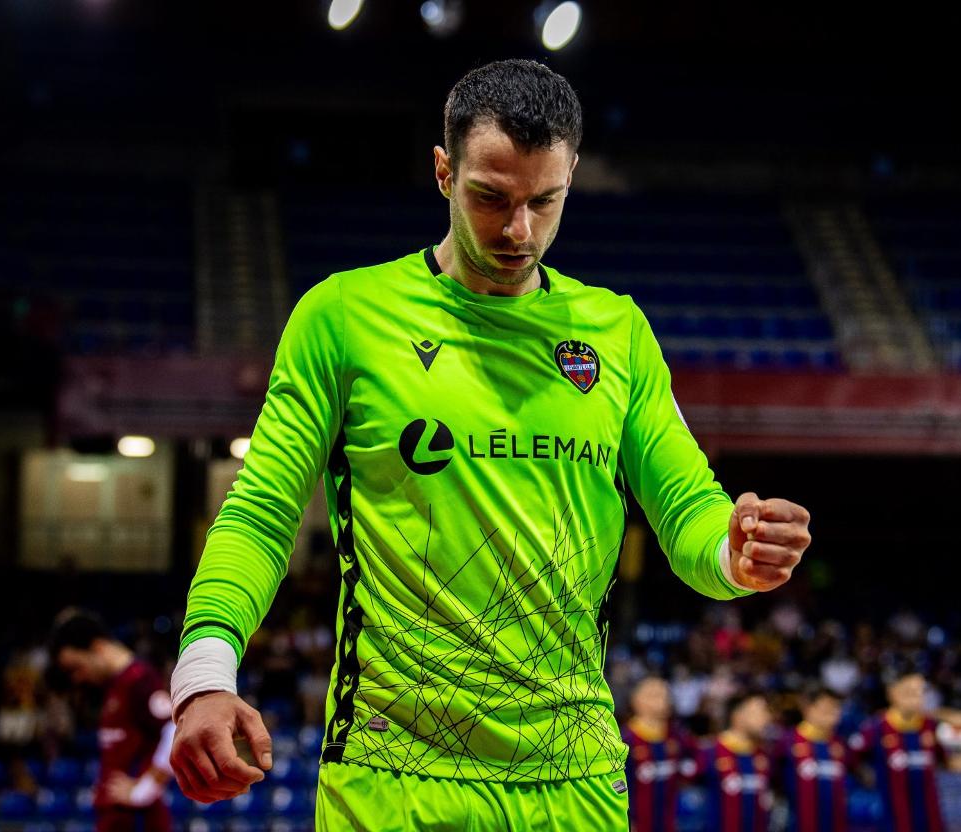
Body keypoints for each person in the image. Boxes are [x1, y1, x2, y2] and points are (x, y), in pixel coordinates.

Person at [168, 58, 813, 830]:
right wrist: (205, 674)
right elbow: (260, 513)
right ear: (444, 171)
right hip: (394, 769)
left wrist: (734, 556)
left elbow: (689, 513)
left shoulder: (618, 332)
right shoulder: (343, 317)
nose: (519, 230)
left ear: (571, 175)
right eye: (491, 198)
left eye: (546, 201)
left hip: (574, 773)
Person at [50, 608, 175, 832]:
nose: (78, 677)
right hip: (117, 818)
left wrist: (144, 789)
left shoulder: (139, 680)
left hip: (138, 819)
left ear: (97, 648)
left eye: (76, 667)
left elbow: (174, 730)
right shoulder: (115, 685)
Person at [848, 666, 948, 832]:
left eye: (920, 692)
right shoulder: (876, 727)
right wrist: (866, 774)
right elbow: (850, 758)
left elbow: (944, 760)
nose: (917, 698)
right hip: (893, 818)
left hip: (929, 816)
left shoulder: (929, 726)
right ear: (892, 693)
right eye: (909, 692)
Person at [621, 676, 700, 832]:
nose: (662, 699)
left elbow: (694, 765)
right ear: (636, 700)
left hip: (671, 823)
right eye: (654, 694)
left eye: (665, 694)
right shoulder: (625, 740)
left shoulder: (678, 738)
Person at [774, 685, 850, 832]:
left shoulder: (839, 745)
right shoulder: (788, 741)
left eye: (836, 709)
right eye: (826, 709)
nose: (833, 714)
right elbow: (774, 777)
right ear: (808, 708)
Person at [697, 691, 775, 832]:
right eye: (760, 712)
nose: (767, 718)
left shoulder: (764, 755)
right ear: (738, 715)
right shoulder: (709, 752)